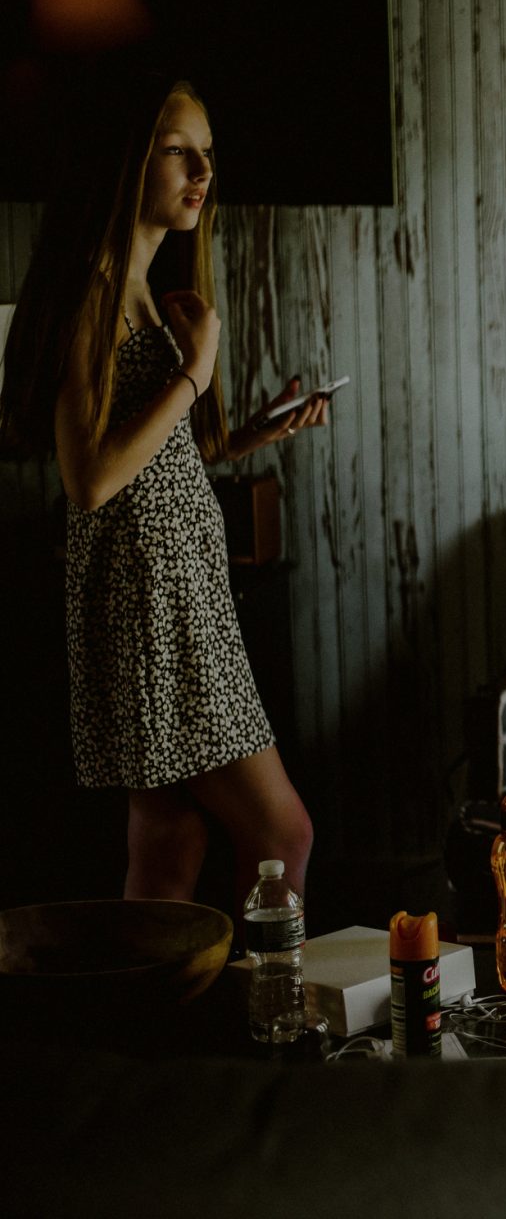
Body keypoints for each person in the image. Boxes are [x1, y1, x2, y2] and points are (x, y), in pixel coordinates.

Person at [0, 76, 325, 903]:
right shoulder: (94, 293)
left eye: (207, 153)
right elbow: (92, 479)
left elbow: (145, 460)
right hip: (155, 610)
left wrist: (249, 431)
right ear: (127, 159)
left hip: (178, 597)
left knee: (170, 841)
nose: (201, 170)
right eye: (178, 148)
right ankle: (269, 1017)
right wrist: (195, 373)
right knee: (283, 832)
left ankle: (144, 1023)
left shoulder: (141, 288)